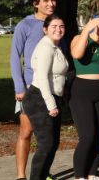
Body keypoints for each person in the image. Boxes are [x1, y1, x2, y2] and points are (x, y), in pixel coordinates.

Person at [10, 0, 61, 180]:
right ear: (36, 3)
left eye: (53, 0)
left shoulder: (56, 25)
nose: (51, 4)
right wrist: (19, 88)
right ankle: (21, 176)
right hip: (30, 89)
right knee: (27, 131)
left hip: (52, 89)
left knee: (47, 135)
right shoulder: (26, 24)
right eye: (46, 0)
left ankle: (42, 172)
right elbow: (15, 56)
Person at [70, 13, 99, 180]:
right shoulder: (79, 38)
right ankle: (79, 176)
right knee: (87, 135)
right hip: (82, 93)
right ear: (94, 21)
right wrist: (86, 30)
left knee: (98, 135)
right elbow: (76, 55)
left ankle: (91, 174)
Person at [25, 15, 68, 180]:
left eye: (61, 26)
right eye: (54, 26)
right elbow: (42, 77)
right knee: (46, 144)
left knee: (53, 143)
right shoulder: (45, 48)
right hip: (39, 99)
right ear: (45, 29)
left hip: (52, 97)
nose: (58, 29)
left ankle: (43, 176)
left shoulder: (54, 46)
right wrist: (51, 105)